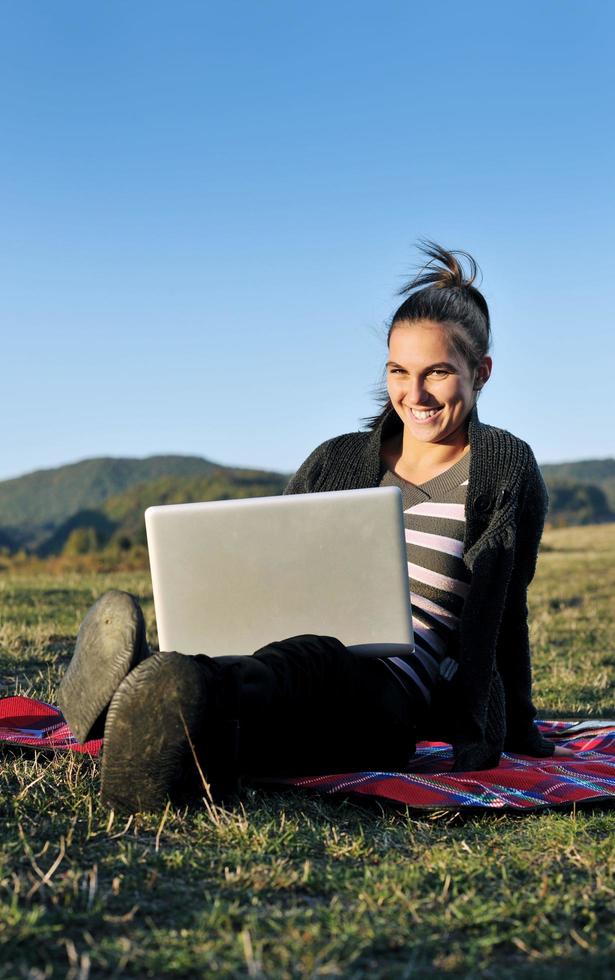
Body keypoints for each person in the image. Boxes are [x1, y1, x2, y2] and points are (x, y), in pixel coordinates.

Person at [57, 242, 574, 812]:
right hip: (287, 661)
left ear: (481, 373)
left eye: (439, 373)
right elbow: (271, 563)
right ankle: (165, 707)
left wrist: (519, 724)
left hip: (389, 701)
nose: (415, 394)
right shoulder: (337, 461)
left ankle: (163, 686)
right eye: (399, 372)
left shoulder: (503, 465)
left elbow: (507, 605)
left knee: (316, 664)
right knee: (280, 694)